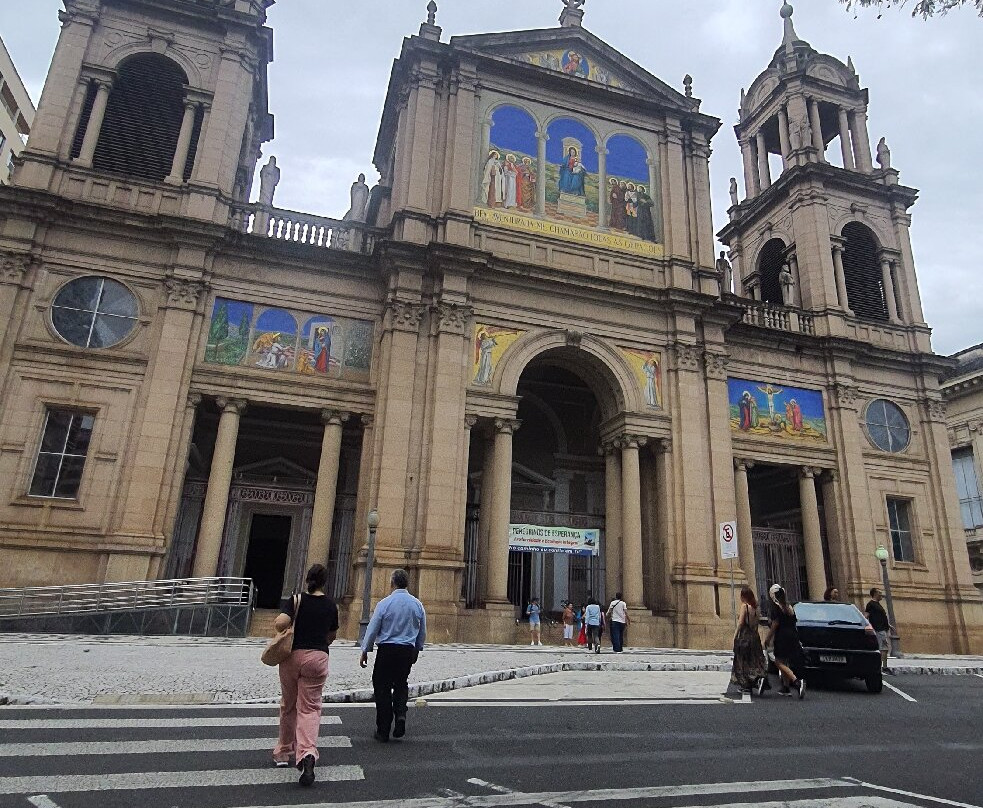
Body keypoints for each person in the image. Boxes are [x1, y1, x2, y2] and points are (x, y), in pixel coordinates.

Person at [272, 564, 339, 787]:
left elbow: (280, 622)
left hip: (293, 657)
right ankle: (307, 753)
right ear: (324, 582)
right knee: (310, 708)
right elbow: (332, 636)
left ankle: (283, 752)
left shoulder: (297, 600)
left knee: (288, 705)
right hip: (317, 658)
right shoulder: (331, 605)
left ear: (307, 579)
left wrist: (286, 624)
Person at [359, 569, 427, 743]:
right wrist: (417, 649)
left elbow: (373, 627)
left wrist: (365, 649)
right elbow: (422, 630)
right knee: (401, 683)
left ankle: (383, 729)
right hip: (406, 651)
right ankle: (401, 714)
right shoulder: (417, 604)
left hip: (387, 650)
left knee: (381, 686)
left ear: (392, 583)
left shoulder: (385, 603)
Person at [763, 584, 806, 699]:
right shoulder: (789, 606)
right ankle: (785, 687)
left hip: (782, 636)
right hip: (793, 635)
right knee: (785, 661)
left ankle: (796, 681)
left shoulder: (777, 607)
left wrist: (767, 639)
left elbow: (775, 625)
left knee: (778, 662)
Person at [731, 586, 767, 696]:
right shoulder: (756, 608)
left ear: (743, 596)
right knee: (754, 660)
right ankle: (757, 679)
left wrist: (735, 635)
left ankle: (746, 685)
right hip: (755, 637)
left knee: (742, 661)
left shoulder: (745, 607)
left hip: (745, 636)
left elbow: (741, 623)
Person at [865, 587, 893, 673]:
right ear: (875, 594)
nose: (881, 594)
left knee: (884, 648)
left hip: (883, 629)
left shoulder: (878, 604)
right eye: (879, 593)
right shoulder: (871, 604)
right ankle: (881, 667)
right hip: (879, 629)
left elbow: (881, 617)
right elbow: (866, 616)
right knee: (883, 648)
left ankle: (883, 666)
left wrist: (888, 625)